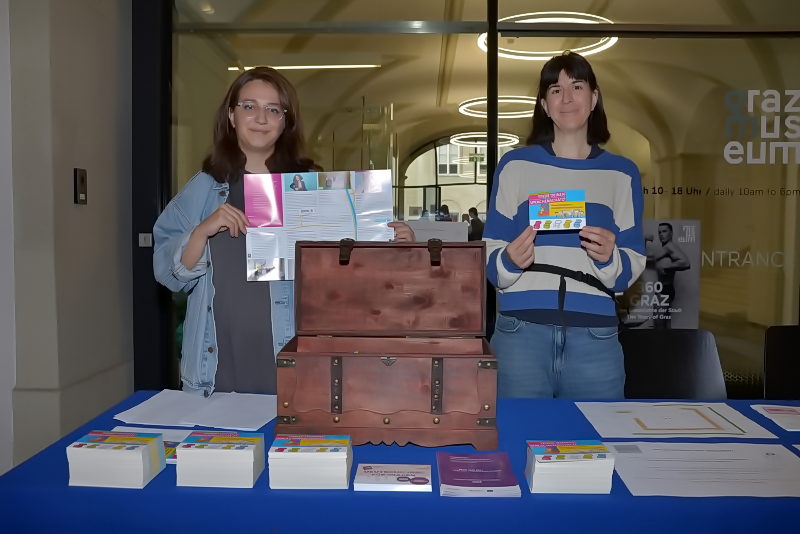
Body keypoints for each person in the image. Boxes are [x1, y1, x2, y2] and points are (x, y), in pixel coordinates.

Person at [153, 66, 414, 396]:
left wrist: (394, 246)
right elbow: (168, 274)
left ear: (286, 121)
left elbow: (349, 277)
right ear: (231, 116)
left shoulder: (313, 189)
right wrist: (202, 231)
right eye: (249, 106)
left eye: (274, 109)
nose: (261, 117)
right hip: (216, 362)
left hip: (291, 355)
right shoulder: (205, 188)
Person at [483, 51, 645, 399]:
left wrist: (610, 258)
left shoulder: (622, 173)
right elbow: (489, 254)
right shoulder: (514, 166)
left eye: (577, 86)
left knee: (598, 432)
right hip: (520, 333)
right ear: (544, 105)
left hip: (596, 338)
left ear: (594, 98)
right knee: (518, 429)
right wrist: (509, 260)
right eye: (555, 90)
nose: (567, 98)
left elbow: (633, 259)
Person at [650, 222, 690, 329]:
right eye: (659, 232)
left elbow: (686, 263)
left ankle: (661, 340)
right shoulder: (665, 249)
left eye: (664, 231)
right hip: (664, 289)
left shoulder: (670, 246)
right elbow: (648, 259)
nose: (661, 234)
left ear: (671, 233)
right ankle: (667, 340)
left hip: (664, 290)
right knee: (665, 323)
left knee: (659, 323)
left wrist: (667, 267)